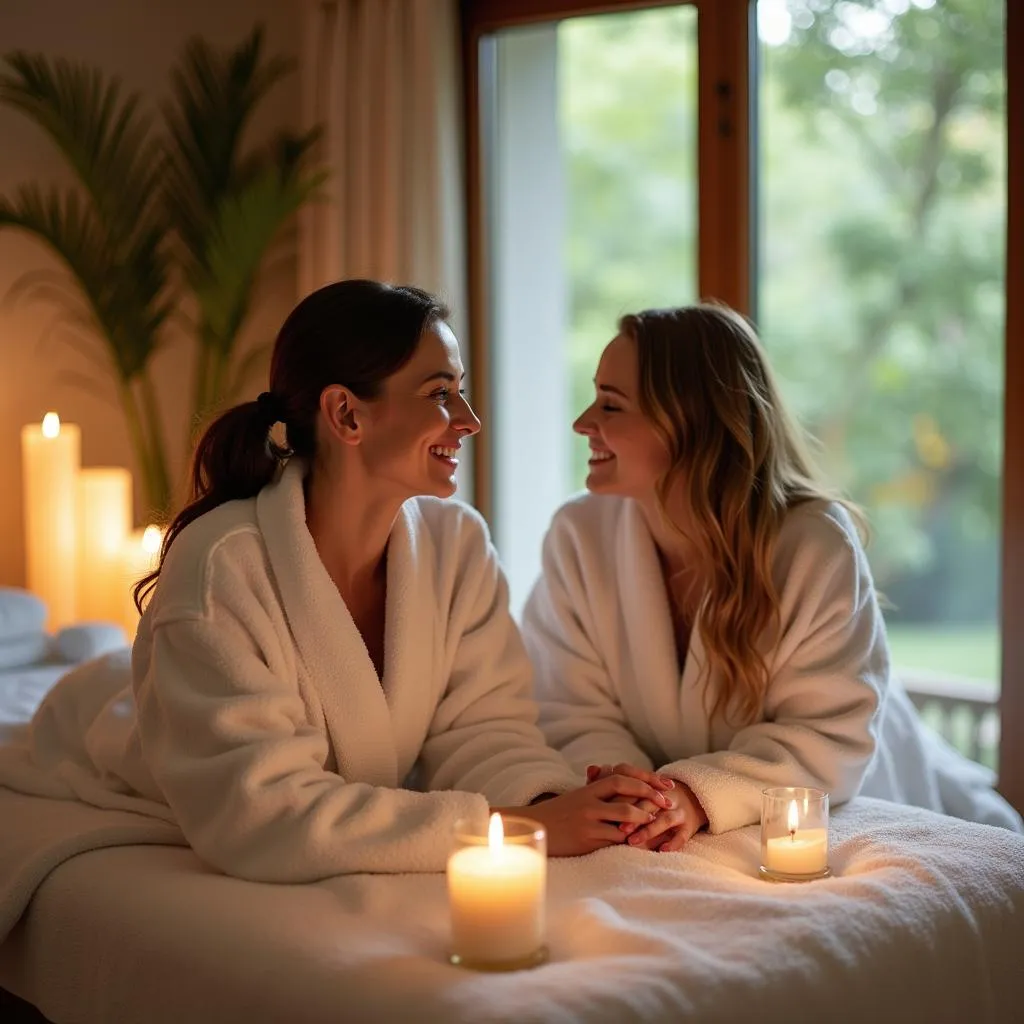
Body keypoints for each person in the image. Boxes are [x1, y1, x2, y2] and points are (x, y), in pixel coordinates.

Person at [1, 280, 672, 882]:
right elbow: (262, 813)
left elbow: (484, 729)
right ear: (347, 414)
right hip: (113, 732)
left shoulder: (455, 544)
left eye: (460, 391)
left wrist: (555, 804)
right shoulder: (221, 567)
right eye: (440, 394)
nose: (468, 420)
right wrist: (519, 832)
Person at [522, 302, 1022, 853]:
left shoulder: (813, 544)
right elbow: (569, 706)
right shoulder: (579, 535)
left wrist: (692, 795)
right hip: (672, 824)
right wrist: (630, 798)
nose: (583, 423)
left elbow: (826, 736)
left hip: (861, 800)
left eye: (611, 405)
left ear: (689, 419)